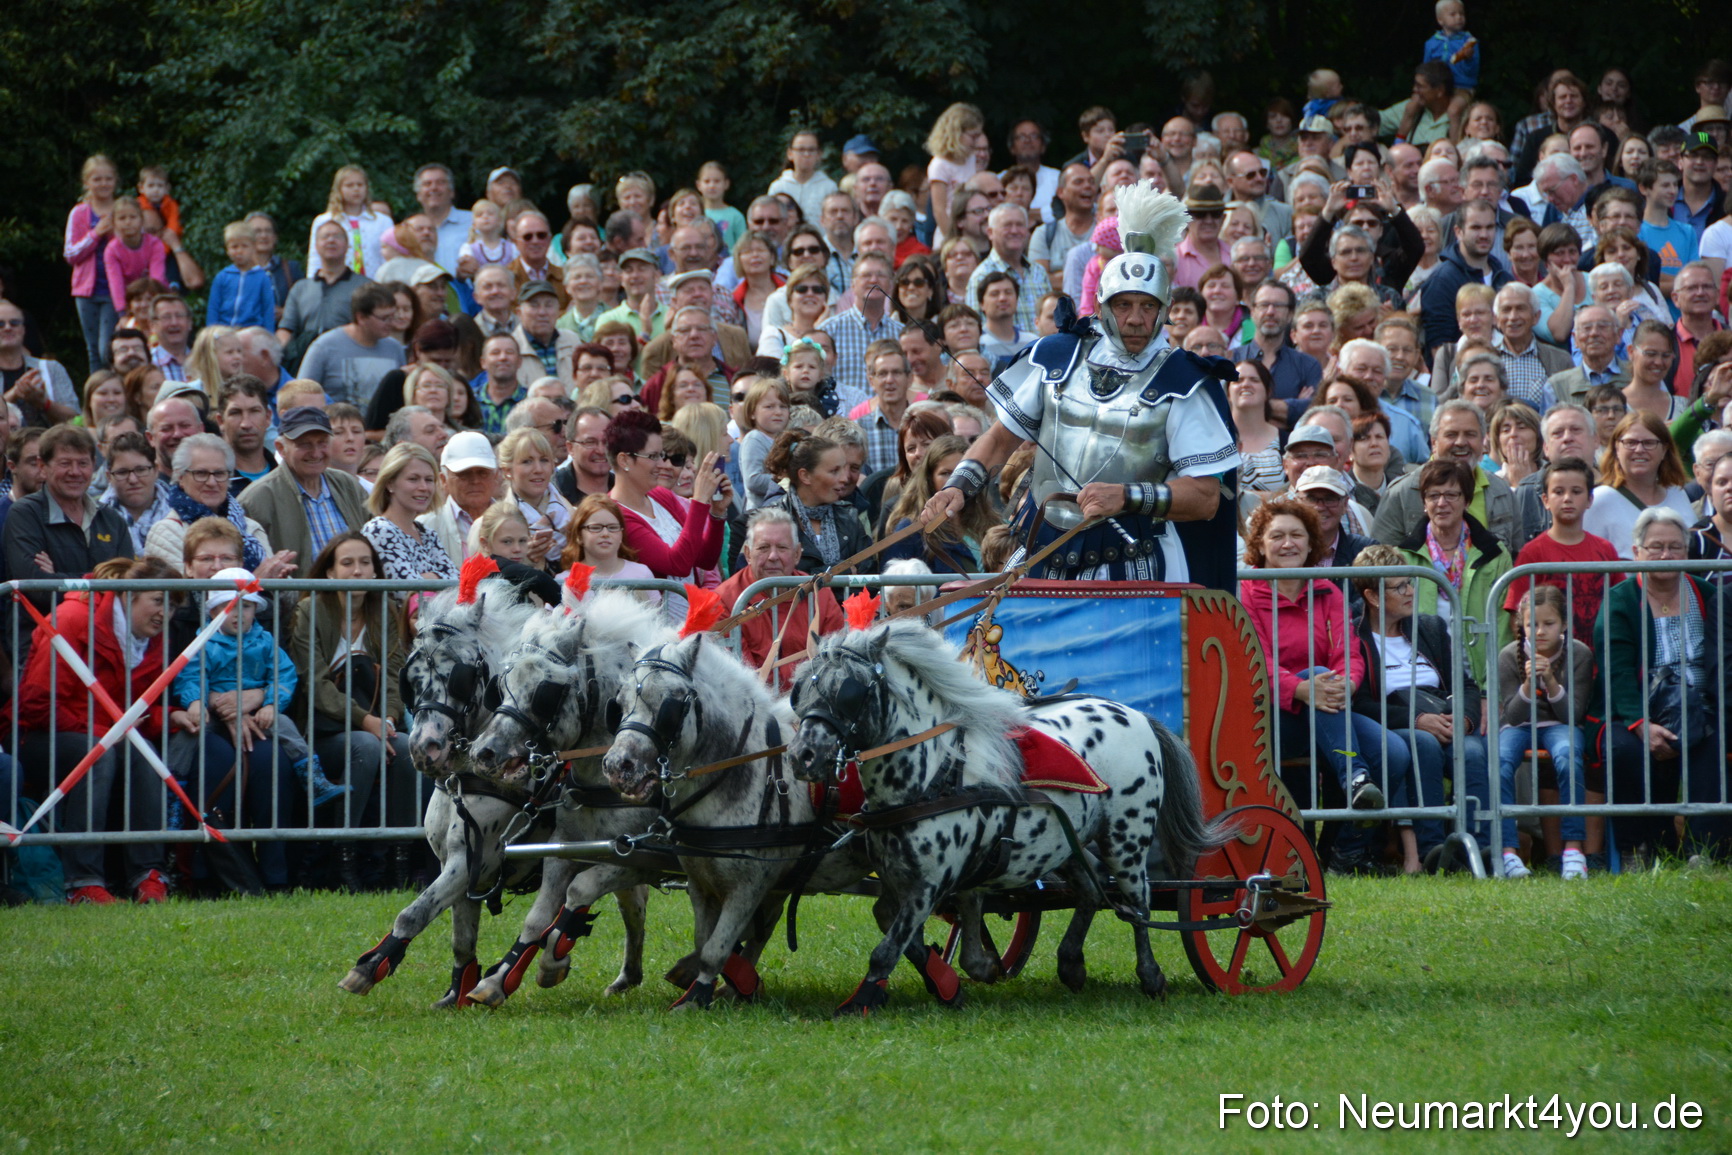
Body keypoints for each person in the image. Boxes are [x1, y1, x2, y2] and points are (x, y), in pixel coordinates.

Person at [927, 181, 1241, 588]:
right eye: (1124, 304)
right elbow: (1001, 439)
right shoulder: (1058, 356)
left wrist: (1127, 497)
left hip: (1136, 558)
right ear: (1103, 304)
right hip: (1038, 543)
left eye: (1148, 307)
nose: (1134, 319)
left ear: (1164, 312)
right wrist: (958, 487)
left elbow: (1204, 498)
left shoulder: (1181, 380)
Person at [9, 555, 176, 902]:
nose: (165, 613)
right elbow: (36, 705)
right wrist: (108, 732)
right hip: (36, 736)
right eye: (158, 600)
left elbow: (138, 712)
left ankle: (149, 874)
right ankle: (82, 882)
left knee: (143, 753)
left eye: (172, 605)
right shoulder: (72, 619)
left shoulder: (152, 639)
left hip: (100, 733)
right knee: (98, 754)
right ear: (129, 595)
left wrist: (170, 717)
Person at [1239, 500, 1397, 860]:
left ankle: (1341, 852)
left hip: (1327, 708)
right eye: (1276, 536)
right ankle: (1355, 776)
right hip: (1268, 716)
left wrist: (1348, 685)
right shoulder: (1245, 591)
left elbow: (1349, 655)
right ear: (1260, 545)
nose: (1288, 543)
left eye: (1297, 535)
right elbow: (1255, 660)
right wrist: (1300, 688)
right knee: (1315, 673)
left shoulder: (1328, 590)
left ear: (1312, 544)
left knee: (1395, 753)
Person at [1597, 507, 1730, 865]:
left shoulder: (1705, 592)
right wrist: (1641, 724)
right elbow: (1617, 672)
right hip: (1641, 707)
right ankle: (1640, 847)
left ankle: (1706, 852)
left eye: (1675, 547)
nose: (1666, 555)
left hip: (1700, 703)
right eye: (1656, 547)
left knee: (1712, 741)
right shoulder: (1621, 600)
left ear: (1687, 553)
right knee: (1624, 749)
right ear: (1637, 552)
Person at [1495, 585, 1596, 879]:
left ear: (1564, 623)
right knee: (1500, 761)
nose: (1539, 631)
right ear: (1521, 625)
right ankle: (1509, 853)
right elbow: (1512, 716)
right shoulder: (1507, 656)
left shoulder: (1579, 653)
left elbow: (1571, 715)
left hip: (1560, 726)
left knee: (1568, 755)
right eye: (1532, 624)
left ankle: (1574, 850)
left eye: (1549, 624)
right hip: (1519, 727)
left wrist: (1550, 680)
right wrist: (1528, 684)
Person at [1393, 459, 1513, 688]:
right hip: (1423, 682)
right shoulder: (1403, 556)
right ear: (1423, 503)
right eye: (1433, 495)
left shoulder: (1495, 555)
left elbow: (1502, 631)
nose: (1441, 503)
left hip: (1479, 680)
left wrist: (1490, 693)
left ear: (1467, 500)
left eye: (1451, 495)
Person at [606, 409, 730, 619]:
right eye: (653, 456)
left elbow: (706, 560)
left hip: (689, 630)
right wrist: (699, 501)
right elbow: (677, 564)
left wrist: (717, 514)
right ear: (624, 460)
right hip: (654, 638)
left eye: (661, 455)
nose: (661, 464)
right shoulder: (614, 514)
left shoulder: (662, 496)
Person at [3, 424, 134, 612]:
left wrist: (58, 578)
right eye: (65, 463)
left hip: (103, 636)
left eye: (83, 463)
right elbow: (37, 589)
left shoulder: (111, 519)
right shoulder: (25, 514)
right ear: (42, 466)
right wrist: (104, 582)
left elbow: (128, 586)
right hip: (44, 636)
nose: (75, 472)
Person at [237, 406, 370, 574]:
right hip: (296, 599)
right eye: (305, 444)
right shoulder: (256, 499)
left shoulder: (348, 485)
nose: (315, 453)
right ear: (280, 448)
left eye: (322, 443)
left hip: (353, 598)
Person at [144, 432, 288, 578]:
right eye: (201, 473)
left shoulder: (251, 528)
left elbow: (283, 595)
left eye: (219, 473)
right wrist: (257, 582)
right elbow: (184, 596)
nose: (212, 482)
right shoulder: (166, 532)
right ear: (180, 477)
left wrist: (281, 577)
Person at [759, 429, 873, 575]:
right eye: (834, 471)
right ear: (805, 476)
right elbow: (765, 578)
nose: (845, 478)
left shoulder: (850, 517)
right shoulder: (770, 520)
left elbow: (868, 578)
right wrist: (835, 574)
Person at [1583, 411, 1695, 559]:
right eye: (1630, 443)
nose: (1639, 450)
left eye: (1649, 443)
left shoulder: (1677, 493)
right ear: (1617, 448)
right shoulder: (1599, 500)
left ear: (1664, 450)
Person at [296, 283, 405, 410]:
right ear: (361, 317)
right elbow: (301, 393)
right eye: (384, 318)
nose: (391, 323)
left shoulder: (395, 348)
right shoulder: (325, 346)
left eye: (393, 316)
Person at [361, 442, 455, 588]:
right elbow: (406, 592)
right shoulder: (380, 530)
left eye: (429, 480)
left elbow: (459, 583)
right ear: (390, 483)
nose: (423, 487)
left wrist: (430, 579)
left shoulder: (427, 533)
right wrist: (437, 580)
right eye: (413, 479)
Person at [65, 154, 121, 374]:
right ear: (87, 182)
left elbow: (133, 247)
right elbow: (70, 254)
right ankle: (96, 397)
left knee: (106, 347)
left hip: (114, 289)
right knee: (92, 350)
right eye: (97, 179)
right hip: (86, 289)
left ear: (115, 180)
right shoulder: (79, 212)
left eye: (108, 178)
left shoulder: (123, 209)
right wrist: (96, 233)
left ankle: (114, 391)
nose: (103, 184)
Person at [557, 494, 658, 605]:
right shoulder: (565, 580)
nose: (605, 534)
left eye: (613, 528)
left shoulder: (641, 574)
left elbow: (658, 619)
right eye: (595, 528)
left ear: (621, 534)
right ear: (579, 536)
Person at [0, 300, 78, 427]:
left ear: (23, 330)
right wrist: (13, 394)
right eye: (0, 324)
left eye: (14, 323)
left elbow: (76, 420)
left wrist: (44, 403)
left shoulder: (51, 368)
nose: (8, 328)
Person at [100, 430, 172, 551]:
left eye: (140, 470)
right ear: (109, 477)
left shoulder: (181, 511)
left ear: (155, 470)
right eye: (122, 472)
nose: (133, 480)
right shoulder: (97, 519)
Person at [924, 104, 986, 244]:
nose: (976, 142)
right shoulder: (939, 164)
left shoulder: (970, 158)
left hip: (972, 230)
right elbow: (939, 210)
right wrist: (953, 240)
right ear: (956, 133)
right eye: (973, 136)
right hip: (949, 233)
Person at [768, 129, 839, 229]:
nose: (806, 154)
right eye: (801, 150)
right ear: (790, 154)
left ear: (819, 154)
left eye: (811, 150)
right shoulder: (778, 187)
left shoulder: (829, 187)